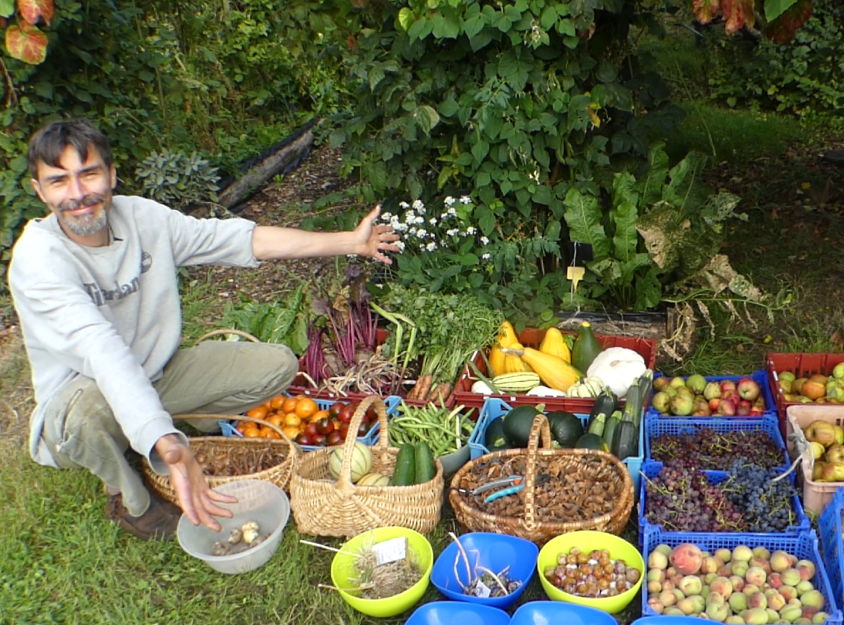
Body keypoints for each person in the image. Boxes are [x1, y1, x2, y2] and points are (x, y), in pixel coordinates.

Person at [8, 118, 400, 540]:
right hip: (82, 395)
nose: (79, 193)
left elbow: (239, 241)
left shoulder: (141, 218)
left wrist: (349, 242)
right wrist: (170, 447)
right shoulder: (39, 260)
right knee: (89, 418)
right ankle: (132, 500)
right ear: (40, 191)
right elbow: (102, 350)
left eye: (89, 173)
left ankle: (155, 427)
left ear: (111, 174)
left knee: (276, 366)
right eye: (59, 181)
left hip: (154, 375)